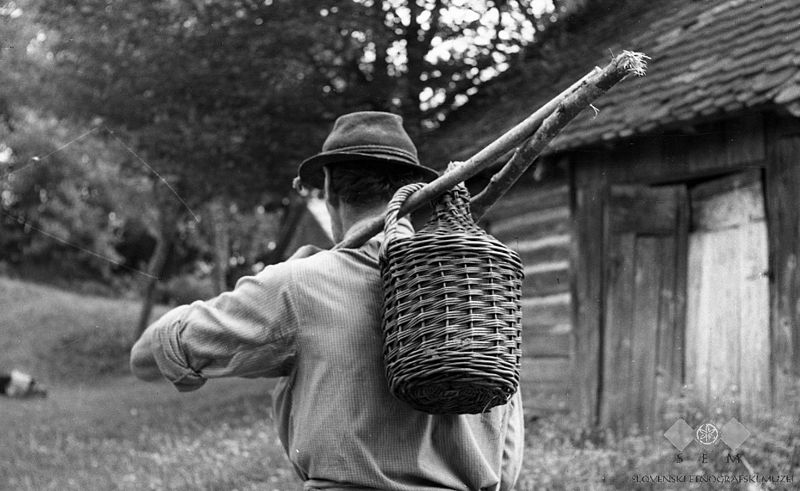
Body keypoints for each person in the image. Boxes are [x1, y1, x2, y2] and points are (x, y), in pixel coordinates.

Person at [130, 111, 524, 490]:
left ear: (331, 192)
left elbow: (148, 356)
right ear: (414, 192)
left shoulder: (300, 284)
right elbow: (506, 467)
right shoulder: (480, 292)